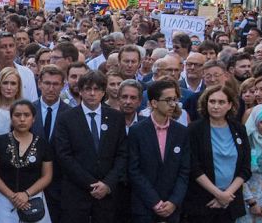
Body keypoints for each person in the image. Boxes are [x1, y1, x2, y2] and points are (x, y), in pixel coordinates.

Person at [54, 70, 128, 223]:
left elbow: (122, 154)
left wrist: (108, 184)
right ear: (80, 91)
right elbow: (64, 156)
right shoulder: (66, 118)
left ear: (103, 92)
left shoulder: (116, 118)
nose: (92, 93)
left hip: (107, 194)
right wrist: (91, 185)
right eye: (88, 89)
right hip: (76, 193)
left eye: (97, 89)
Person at [184, 84, 251, 223]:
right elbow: (193, 166)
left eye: (221, 102)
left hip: (230, 201)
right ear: (205, 103)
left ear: (230, 105)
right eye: (212, 101)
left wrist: (226, 195)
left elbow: (245, 167)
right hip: (203, 201)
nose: (216, 106)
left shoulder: (239, 128)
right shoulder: (194, 129)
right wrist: (218, 194)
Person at [127, 79, 190, 223]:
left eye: (174, 99)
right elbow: (134, 170)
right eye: (168, 100)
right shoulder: (137, 131)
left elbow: (184, 170)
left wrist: (174, 201)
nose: (173, 104)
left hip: (172, 207)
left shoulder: (181, 132)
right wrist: (155, 202)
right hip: (144, 207)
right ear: (154, 103)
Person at [0, 99, 52, 223]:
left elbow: (47, 176)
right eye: (17, 115)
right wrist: (12, 196)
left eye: (26, 115)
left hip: (34, 199)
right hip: (5, 199)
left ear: (33, 119)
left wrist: (26, 194)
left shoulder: (43, 144)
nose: (22, 119)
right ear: (11, 118)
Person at [31, 64, 70, 221]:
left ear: (62, 85)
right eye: (47, 83)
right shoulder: (27, 111)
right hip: (31, 183)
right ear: (40, 83)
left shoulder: (71, 114)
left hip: (61, 186)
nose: (51, 88)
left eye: (55, 84)